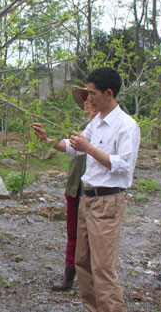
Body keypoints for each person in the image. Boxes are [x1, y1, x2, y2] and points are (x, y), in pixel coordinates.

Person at [32, 67, 140, 312]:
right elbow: (76, 148)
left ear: (109, 93)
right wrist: (49, 140)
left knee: (103, 267)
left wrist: (90, 148)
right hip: (87, 199)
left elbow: (124, 166)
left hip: (107, 201)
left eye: (92, 93)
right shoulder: (98, 122)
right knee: (82, 262)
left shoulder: (126, 126)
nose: (88, 99)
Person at [52, 89, 98, 292]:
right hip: (75, 186)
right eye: (86, 100)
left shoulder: (109, 128)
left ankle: (94, 279)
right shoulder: (83, 128)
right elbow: (71, 147)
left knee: (96, 236)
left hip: (96, 190)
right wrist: (48, 140)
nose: (87, 103)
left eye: (91, 98)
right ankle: (69, 277)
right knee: (73, 233)